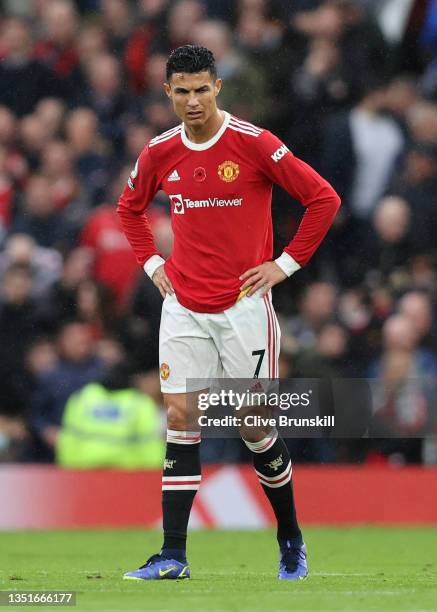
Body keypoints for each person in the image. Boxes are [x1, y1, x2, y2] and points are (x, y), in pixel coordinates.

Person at [117, 44, 340, 581]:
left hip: (243, 309)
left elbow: (323, 198)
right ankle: (173, 554)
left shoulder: (253, 143)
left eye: (201, 89)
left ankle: (291, 542)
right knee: (180, 418)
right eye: (181, 91)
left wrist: (284, 266)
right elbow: (129, 208)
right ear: (167, 93)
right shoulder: (160, 151)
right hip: (184, 306)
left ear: (217, 88)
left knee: (252, 426)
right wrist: (152, 264)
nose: (192, 101)